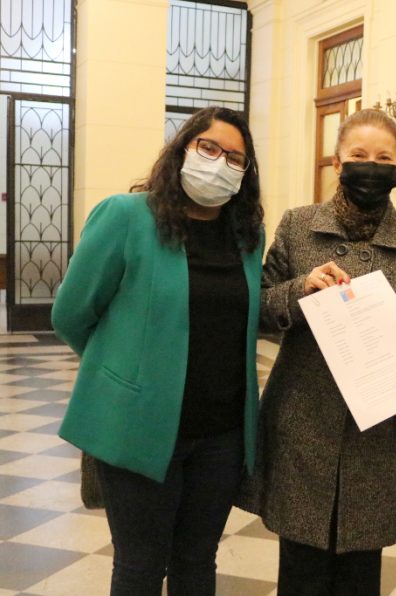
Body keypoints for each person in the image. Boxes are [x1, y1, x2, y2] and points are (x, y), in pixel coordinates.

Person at [52, 106, 265, 595]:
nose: (219, 163)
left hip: (222, 434)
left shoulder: (247, 238)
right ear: (182, 148)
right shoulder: (127, 217)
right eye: (208, 148)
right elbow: (70, 314)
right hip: (139, 426)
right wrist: (125, 366)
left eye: (235, 158)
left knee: (197, 564)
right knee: (141, 566)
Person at [244, 108, 396, 595]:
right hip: (302, 421)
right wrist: (302, 289)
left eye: (383, 157)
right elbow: (259, 305)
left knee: (360, 571)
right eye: (359, 155)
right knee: (300, 568)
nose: (371, 166)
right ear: (337, 163)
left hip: (377, 429)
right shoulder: (298, 225)